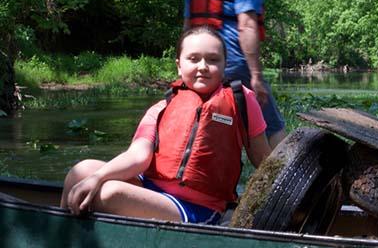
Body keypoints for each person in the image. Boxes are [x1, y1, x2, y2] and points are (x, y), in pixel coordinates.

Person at [60, 26, 271, 224]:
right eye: (193, 59)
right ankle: (62, 241)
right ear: (179, 65)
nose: (203, 67)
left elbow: (264, 161)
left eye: (213, 60)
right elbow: (138, 157)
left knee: (109, 193)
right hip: (150, 189)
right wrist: (97, 177)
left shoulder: (242, 101)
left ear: (225, 65)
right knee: (81, 171)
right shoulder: (162, 107)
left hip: (198, 208)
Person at [183, 0, 286, 149]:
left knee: (211, 121)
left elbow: (186, 26)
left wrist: (187, 62)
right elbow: (247, 26)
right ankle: (285, 174)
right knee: (272, 126)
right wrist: (256, 75)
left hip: (198, 63)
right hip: (232, 64)